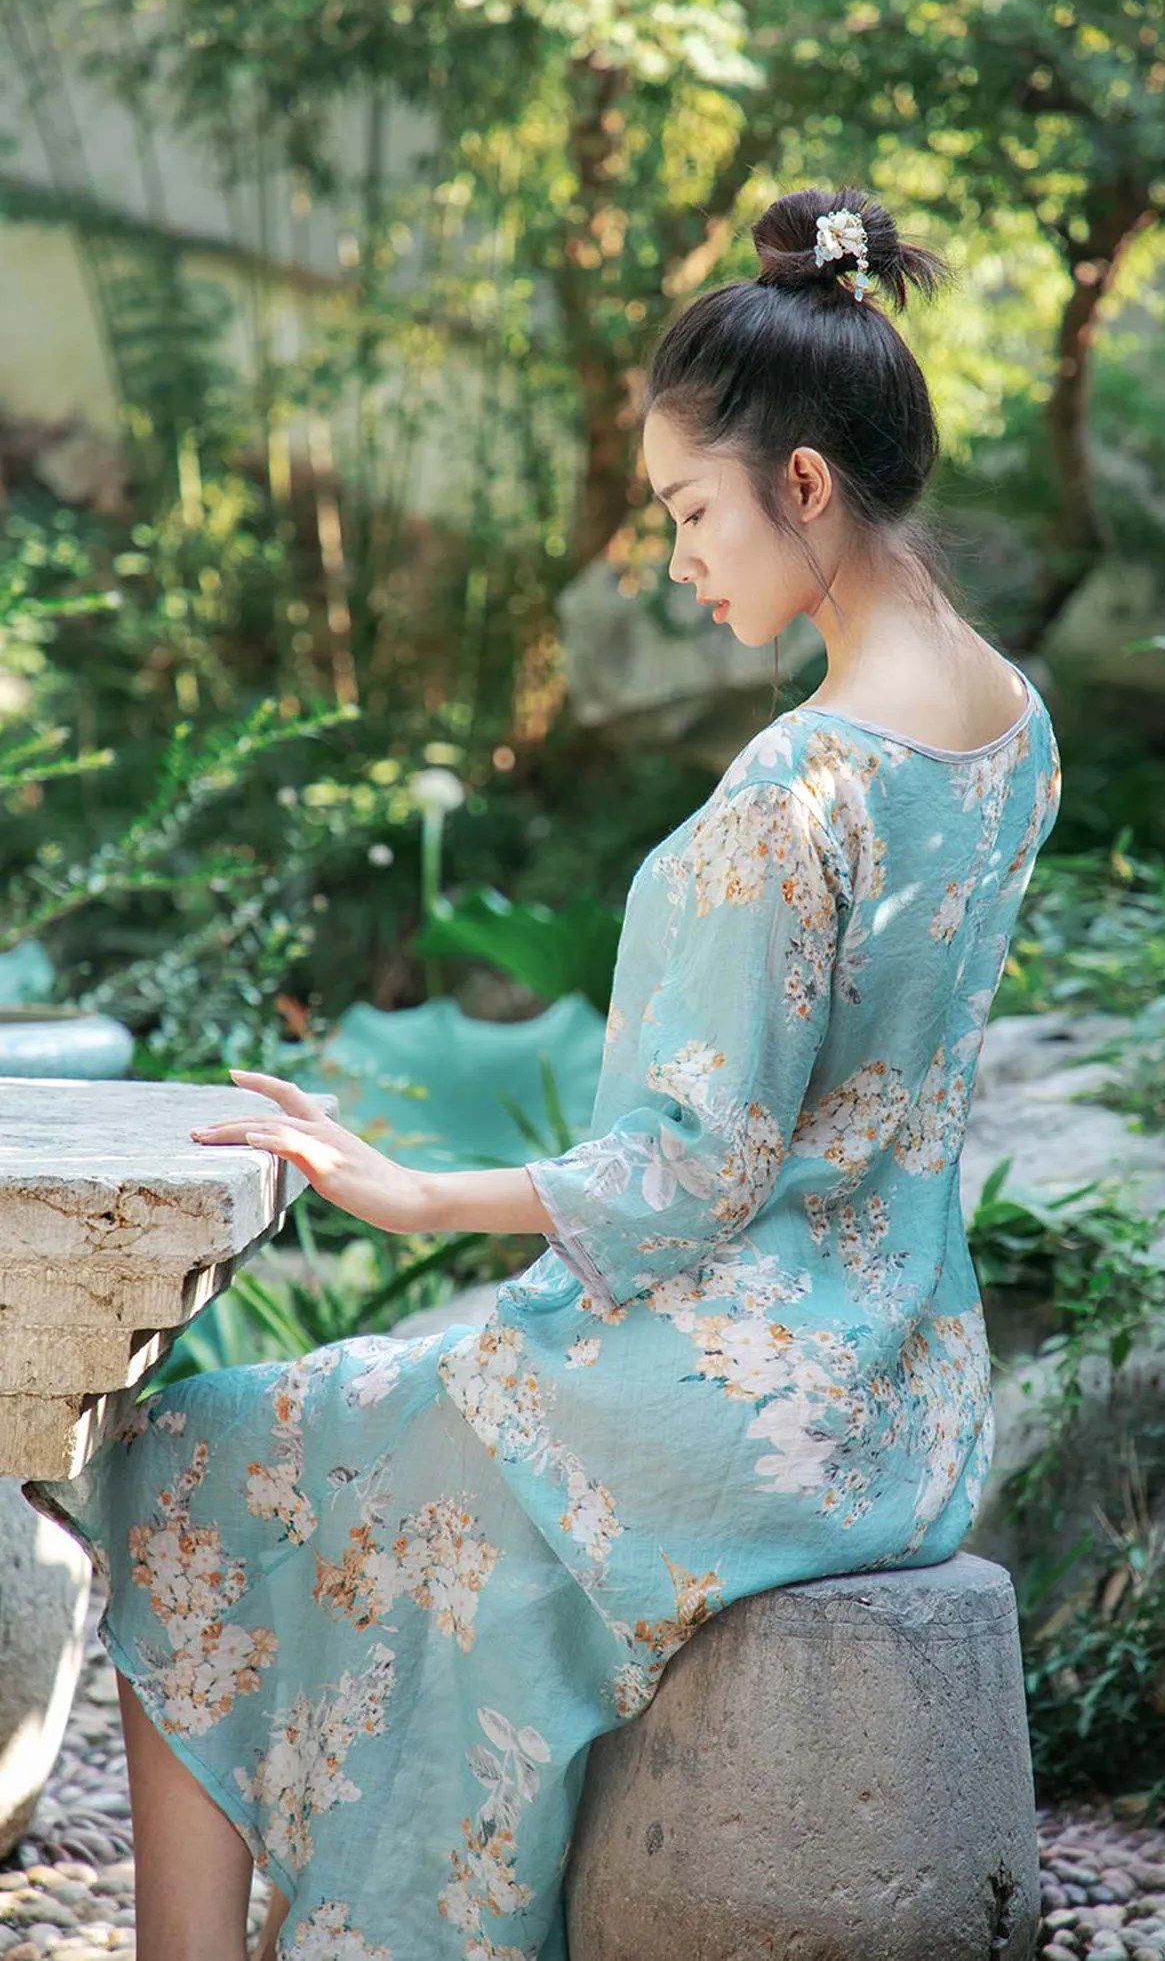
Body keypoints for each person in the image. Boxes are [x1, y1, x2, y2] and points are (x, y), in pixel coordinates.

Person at [23, 183, 1062, 1961]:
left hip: (736, 1403)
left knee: (192, 1448)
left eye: (690, 511)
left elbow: (687, 1180)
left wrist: (409, 1189)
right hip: (903, 1391)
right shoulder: (1009, 723)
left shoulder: (801, 788)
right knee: (374, 1433)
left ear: (805, 483)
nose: (678, 560)